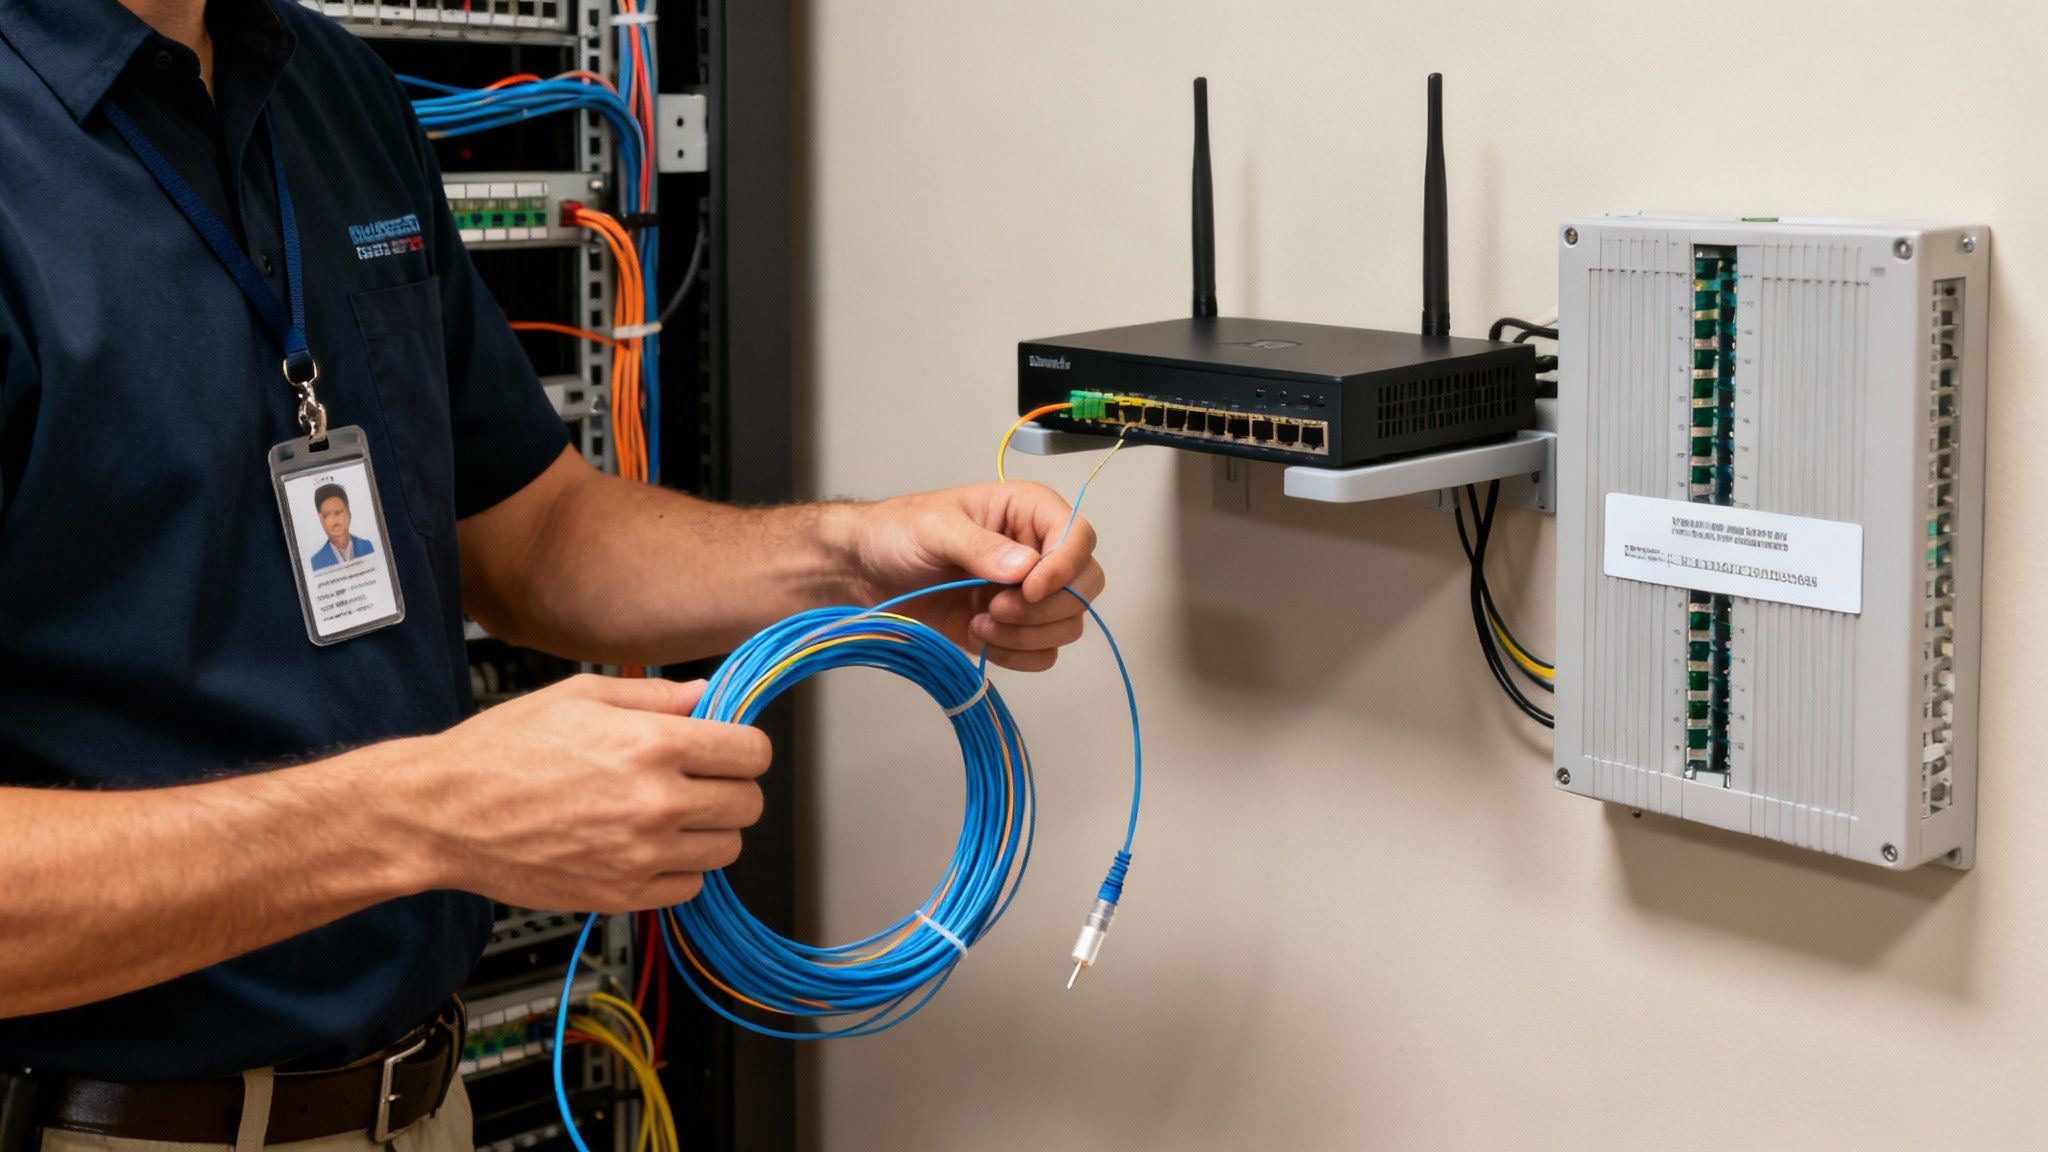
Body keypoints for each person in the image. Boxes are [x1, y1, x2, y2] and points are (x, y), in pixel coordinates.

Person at [0, 0, 1105, 1147]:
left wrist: (850, 554)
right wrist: (425, 815)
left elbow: (532, 533)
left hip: (418, 1105)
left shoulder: (328, 89)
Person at [307, 482, 374, 571]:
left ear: (348, 513)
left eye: (338, 513)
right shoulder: (316, 561)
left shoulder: (367, 546)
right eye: (327, 515)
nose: (334, 521)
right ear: (321, 520)